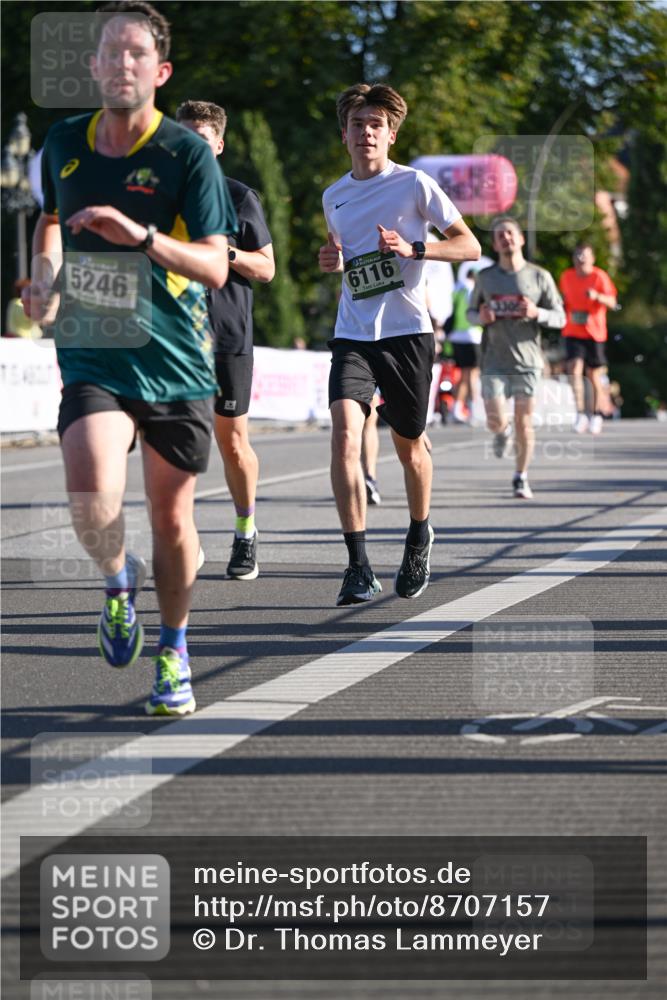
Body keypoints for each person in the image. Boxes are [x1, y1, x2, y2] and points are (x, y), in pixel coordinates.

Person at [23, 1, 237, 716]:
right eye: (110, 51)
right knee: (90, 493)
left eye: (136, 52)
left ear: (159, 70)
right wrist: (46, 277)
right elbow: (51, 221)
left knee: (174, 521)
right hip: (95, 349)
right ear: (92, 66)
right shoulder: (61, 142)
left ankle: (173, 649)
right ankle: (119, 582)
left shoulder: (187, 154)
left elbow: (213, 267)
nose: (121, 62)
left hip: (175, 358)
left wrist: (138, 236)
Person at [319, 83, 480, 606]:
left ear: (390, 134)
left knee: (409, 446)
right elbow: (349, 256)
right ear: (344, 135)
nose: (366, 133)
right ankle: (357, 565)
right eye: (357, 125)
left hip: (408, 333)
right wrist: (336, 263)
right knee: (346, 435)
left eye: (376, 125)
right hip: (354, 334)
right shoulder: (333, 195)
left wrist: (416, 248)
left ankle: (418, 534)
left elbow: (469, 244)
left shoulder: (415, 184)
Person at [176, 100, 275, 581]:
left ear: (217, 144)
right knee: (175, 440)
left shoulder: (238, 197)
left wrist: (224, 250)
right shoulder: (157, 197)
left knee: (231, 442)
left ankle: (245, 531)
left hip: (226, 333)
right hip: (174, 337)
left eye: (200, 138)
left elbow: (267, 267)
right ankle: (185, 538)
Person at [468, 217, 565, 500]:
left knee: (525, 421)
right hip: (494, 360)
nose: (505, 238)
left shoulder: (539, 276)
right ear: (495, 243)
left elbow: (561, 317)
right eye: (499, 235)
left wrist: (538, 313)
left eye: (510, 233)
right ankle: (501, 431)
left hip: (528, 361)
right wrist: (481, 317)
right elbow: (470, 313)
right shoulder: (485, 278)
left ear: (520, 239)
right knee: (495, 419)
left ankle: (520, 476)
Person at [559, 242, 618, 435]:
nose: (580, 259)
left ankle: (597, 414)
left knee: (594, 375)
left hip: (594, 333)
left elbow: (612, 302)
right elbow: (564, 301)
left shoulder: (599, 276)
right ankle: (580, 414)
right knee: (574, 371)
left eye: (584, 255)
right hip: (573, 331)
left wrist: (597, 296)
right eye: (577, 255)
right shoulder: (566, 276)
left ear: (592, 259)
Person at [446, 262, 485, 423]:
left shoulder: (457, 289)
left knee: (463, 374)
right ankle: (474, 409)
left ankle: (456, 408)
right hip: (472, 335)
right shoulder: (473, 290)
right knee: (473, 374)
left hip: (456, 336)